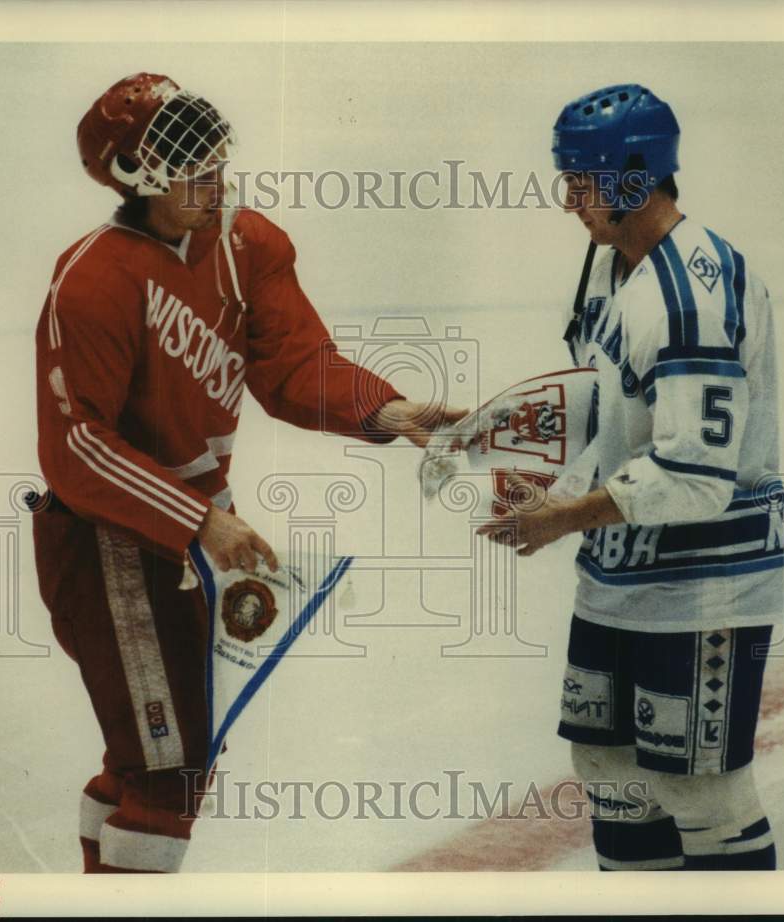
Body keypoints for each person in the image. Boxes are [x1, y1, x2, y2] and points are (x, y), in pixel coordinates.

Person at [32, 72, 464, 873]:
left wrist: (386, 410)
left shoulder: (246, 243)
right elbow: (76, 447)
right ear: (137, 176)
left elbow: (296, 365)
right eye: (187, 159)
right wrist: (201, 520)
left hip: (187, 540)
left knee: (157, 758)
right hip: (108, 545)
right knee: (170, 768)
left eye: (210, 149)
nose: (214, 172)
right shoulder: (92, 278)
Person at [480, 84, 784, 870]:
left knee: (700, 792)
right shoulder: (610, 263)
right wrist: (524, 460)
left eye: (581, 183)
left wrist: (563, 518)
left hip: (705, 584)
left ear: (630, 177)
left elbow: (694, 477)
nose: (566, 201)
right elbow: (609, 400)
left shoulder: (687, 300)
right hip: (620, 575)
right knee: (611, 773)